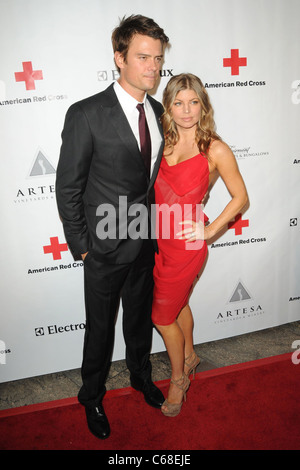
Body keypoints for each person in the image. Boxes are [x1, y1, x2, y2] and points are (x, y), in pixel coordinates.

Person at [56, 15, 169, 439]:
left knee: (139, 321)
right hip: (101, 249)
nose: (153, 67)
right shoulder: (86, 114)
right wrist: (83, 247)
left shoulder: (158, 111)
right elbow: (68, 187)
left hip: (144, 243)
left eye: (157, 58)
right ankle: (91, 396)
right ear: (119, 57)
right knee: (99, 329)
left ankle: (141, 376)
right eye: (143, 57)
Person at [152, 73, 248, 417]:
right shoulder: (161, 140)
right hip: (157, 238)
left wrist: (209, 232)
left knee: (161, 317)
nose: (187, 110)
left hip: (187, 246)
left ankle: (179, 380)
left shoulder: (215, 148)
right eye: (178, 102)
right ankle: (190, 354)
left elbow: (241, 198)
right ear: (169, 107)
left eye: (193, 102)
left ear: (203, 105)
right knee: (177, 305)